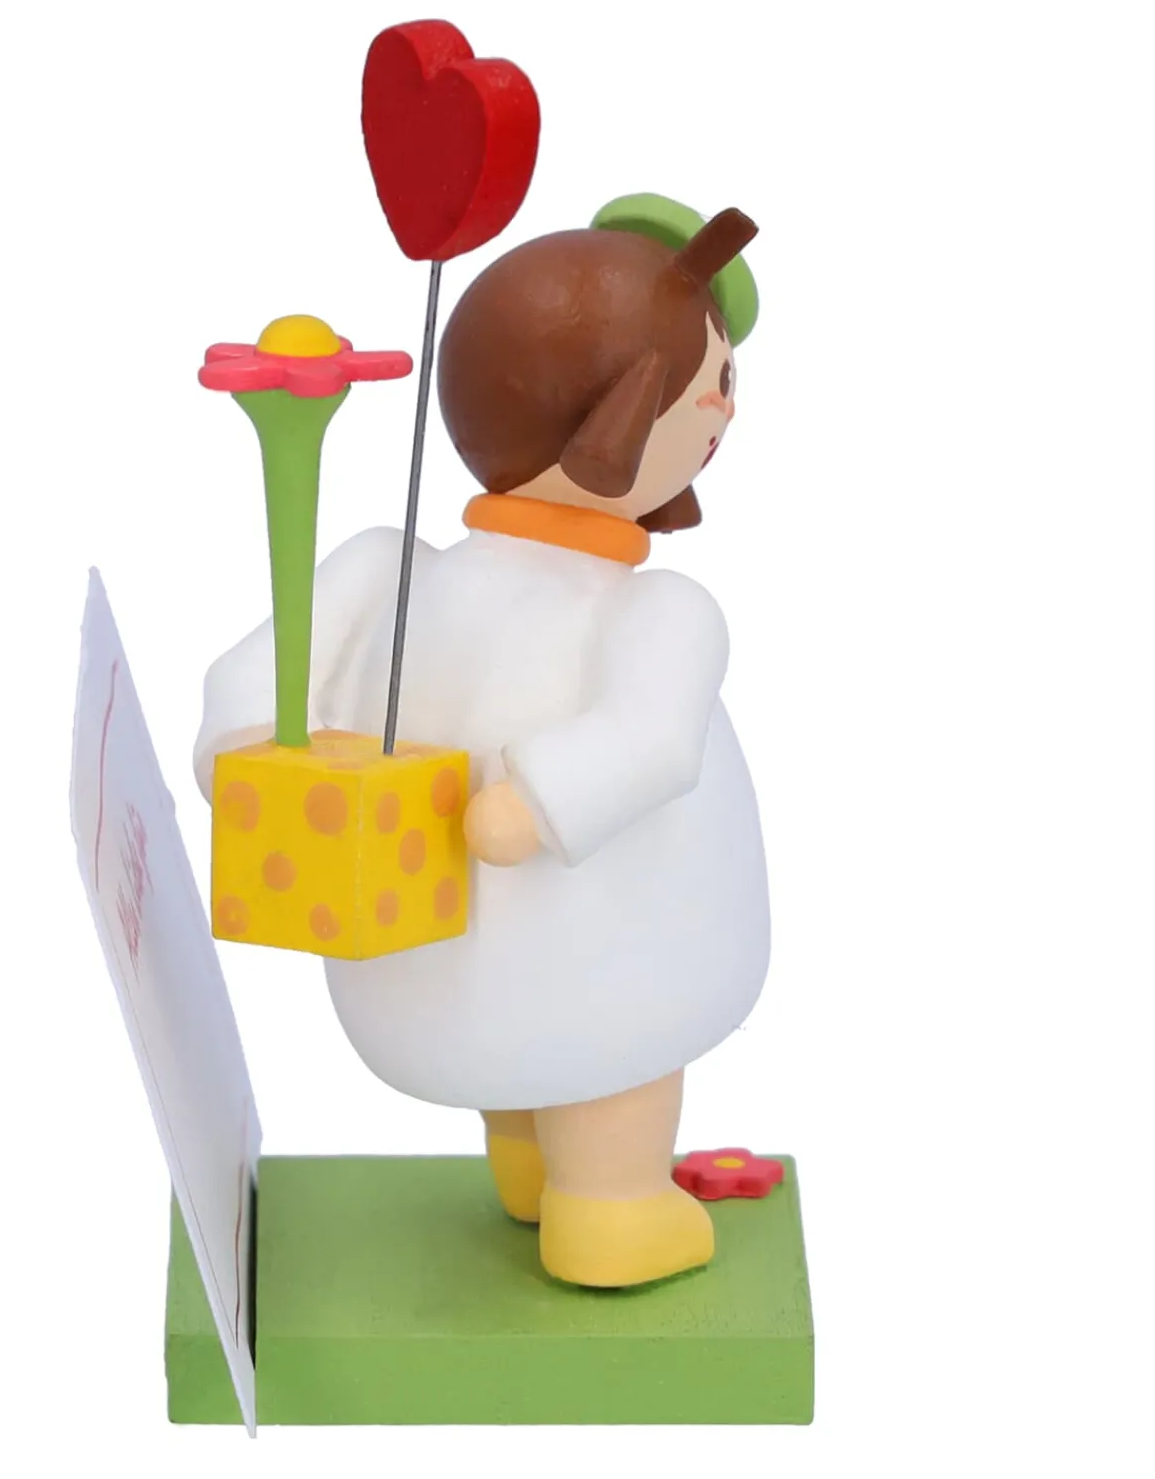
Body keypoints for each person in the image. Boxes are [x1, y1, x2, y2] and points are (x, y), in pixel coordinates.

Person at [194, 208, 771, 1287]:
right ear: (626, 404)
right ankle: (609, 1208)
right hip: (609, 961)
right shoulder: (663, 612)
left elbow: (257, 684)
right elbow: (654, 740)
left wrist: (238, 755)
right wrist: (539, 803)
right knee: (614, 1058)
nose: (725, 410)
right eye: (715, 383)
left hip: (430, 973)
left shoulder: (389, 571)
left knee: (534, 1027)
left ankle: (525, 1162)